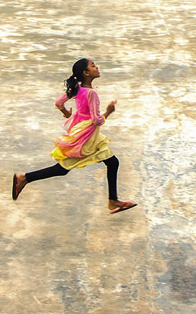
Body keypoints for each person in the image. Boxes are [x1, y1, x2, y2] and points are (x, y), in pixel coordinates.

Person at [13, 58, 137, 214]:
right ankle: (24, 178)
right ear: (86, 73)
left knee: (112, 163)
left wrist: (66, 113)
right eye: (93, 66)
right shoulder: (91, 93)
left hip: (81, 130)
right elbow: (97, 120)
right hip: (86, 136)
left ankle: (113, 201)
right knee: (63, 168)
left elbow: (59, 103)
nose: (97, 67)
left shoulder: (77, 88)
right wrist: (109, 112)